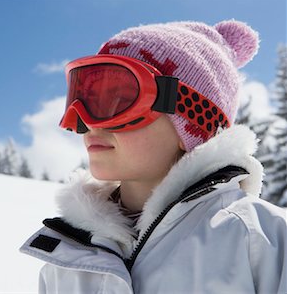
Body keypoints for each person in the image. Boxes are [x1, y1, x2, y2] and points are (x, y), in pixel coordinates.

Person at [20, 20, 287, 293]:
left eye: (119, 99)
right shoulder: (66, 257)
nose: (89, 123)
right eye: (85, 98)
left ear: (194, 121)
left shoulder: (262, 239)